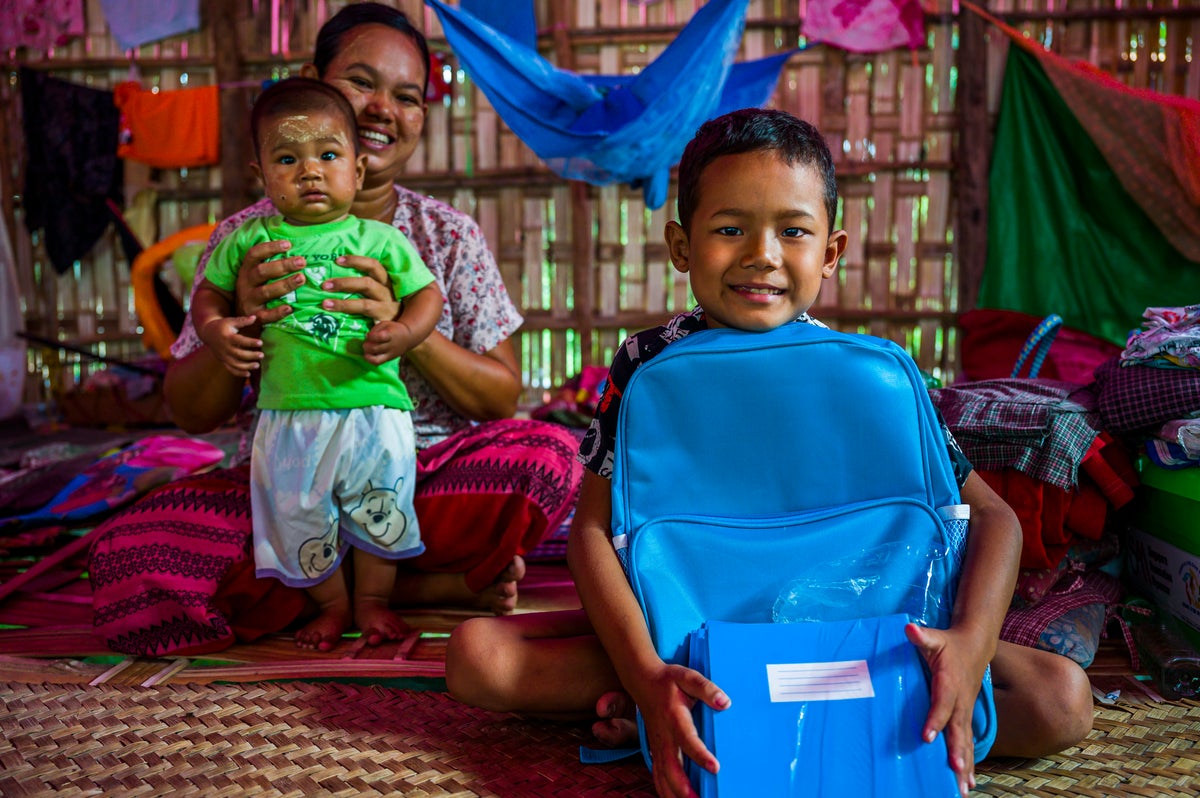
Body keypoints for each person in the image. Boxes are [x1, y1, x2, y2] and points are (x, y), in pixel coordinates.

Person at [445, 108, 1094, 798]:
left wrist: (967, 645)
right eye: (730, 229)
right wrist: (645, 671)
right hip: (692, 638)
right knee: (476, 657)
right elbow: (593, 534)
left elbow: (993, 518)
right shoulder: (644, 364)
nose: (763, 254)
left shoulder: (876, 375)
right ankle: (687, 708)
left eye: (793, 230)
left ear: (831, 252)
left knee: (1061, 699)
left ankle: (693, 725)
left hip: (855, 645)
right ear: (682, 245)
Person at [88, 3, 582, 656]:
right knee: (130, 556)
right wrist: (238, 325)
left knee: (552, 457)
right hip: (284, 475)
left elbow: (499, 399)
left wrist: (406, 329)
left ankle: (346, 586)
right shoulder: (248, 239)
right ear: (310, 81)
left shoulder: (445, 236)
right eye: (361, 81)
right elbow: (191, 411)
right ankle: (409, 588)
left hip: (417, 477)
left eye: (407, 96)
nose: (382, 109)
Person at [192, 77, 443, 650]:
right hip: (287, 414)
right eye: (287, 159)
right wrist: (214, 328)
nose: (309, 171)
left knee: (383, 503)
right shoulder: (248, 239)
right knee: (295, 514)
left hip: (375, 410)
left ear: (357, 169)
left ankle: (373, 602)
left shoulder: (380, 239)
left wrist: (405, 331)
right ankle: (331, 605)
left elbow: (427, 296)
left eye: (328, 155)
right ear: (261, 175)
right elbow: (208, 293)